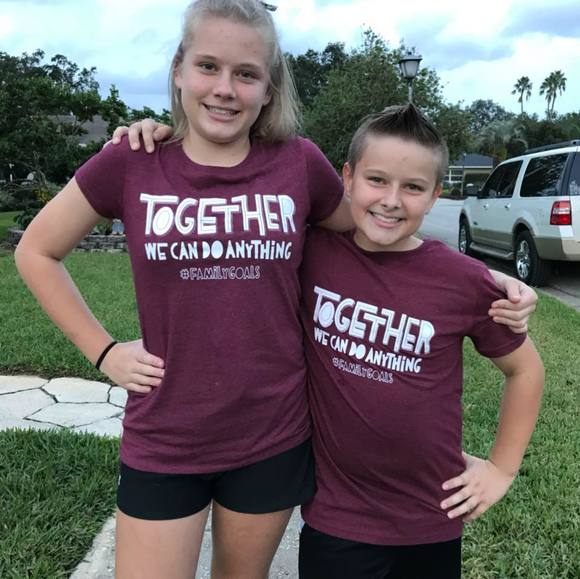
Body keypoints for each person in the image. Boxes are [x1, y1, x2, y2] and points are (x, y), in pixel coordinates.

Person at [16, 1, 535, 577]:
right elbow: (36, 251)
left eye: (246, 73)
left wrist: (490, 281)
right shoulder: (133, 161)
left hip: (271, 435)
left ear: (269, 88)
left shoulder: (298, 164)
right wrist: (105, 351)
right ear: (179, 69)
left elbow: (379, 228)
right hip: (166, 434)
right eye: (208, 66)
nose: (225, 88)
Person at [296, 105, 544, 578]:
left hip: (432, 513)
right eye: (377, 180)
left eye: (412, 187)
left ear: (434, 196)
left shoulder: (462, 281)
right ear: (347, 178)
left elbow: (526, 370)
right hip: (338, 515)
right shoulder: (311, 252)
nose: (391, 201)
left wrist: (501, 469)